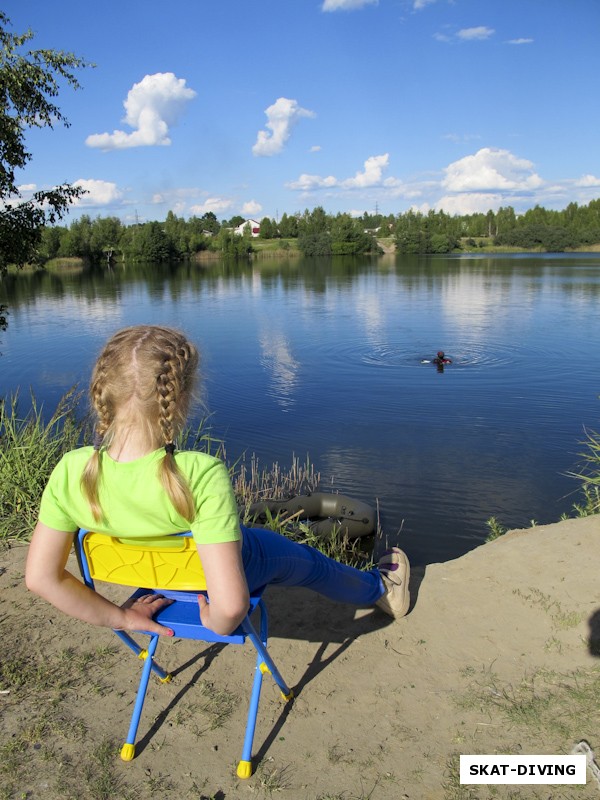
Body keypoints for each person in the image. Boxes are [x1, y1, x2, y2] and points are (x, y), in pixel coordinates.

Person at [25, 325, 410, 639]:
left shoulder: (71, 469)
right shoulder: (199, 473)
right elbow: (229, 606)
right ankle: (382, 590)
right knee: (306, 561)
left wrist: (120, 618)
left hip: (145, 578)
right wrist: (216, 623)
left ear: (102, 393)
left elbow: (41, 578)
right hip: (221, 570)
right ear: (181, 398)